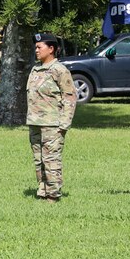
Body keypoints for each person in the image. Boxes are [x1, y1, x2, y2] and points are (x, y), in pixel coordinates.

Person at [25, 32, 76, 202]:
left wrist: (64, 124)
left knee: (51, 160)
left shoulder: (59, 70)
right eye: (36, 47)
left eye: (39, 47)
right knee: (39, 160)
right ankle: (43, 190)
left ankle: (53, 195)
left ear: (51, 49)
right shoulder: (35, 69)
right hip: (35, 122)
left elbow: (69, 97)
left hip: (53, 124)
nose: (36, 50)